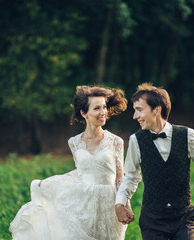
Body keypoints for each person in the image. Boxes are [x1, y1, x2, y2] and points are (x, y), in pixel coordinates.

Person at [10, 85, 131, 240]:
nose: (103, 112)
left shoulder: (116, 141)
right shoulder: (74, 142)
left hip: (109, 202)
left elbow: (120, 177)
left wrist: (124, 205)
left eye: (104, 107)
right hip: (84, 202)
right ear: (84, 113)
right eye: (97, 108)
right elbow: (81, 173)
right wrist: (49, 183)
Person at [115, 83, 194, 240]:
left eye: (139, 110)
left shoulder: (187, 134)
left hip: (183, 217)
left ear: (157, 110)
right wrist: (120, 202)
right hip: (152, 219)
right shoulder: (136, 140)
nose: (135, 116)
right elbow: (131, 177)